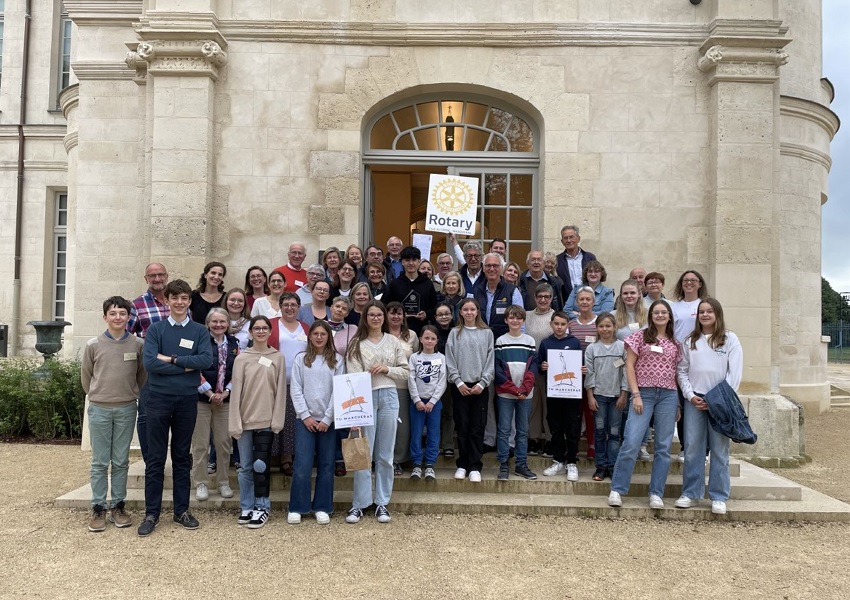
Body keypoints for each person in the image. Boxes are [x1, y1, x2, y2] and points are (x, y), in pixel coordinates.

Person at [138, 279, 213, 537]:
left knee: (182, 457)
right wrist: (185, 366)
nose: (179, 302)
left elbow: (205, 359)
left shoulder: (200, 331)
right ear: (167, 301)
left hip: (186, 400)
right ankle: (151, 513)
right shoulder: (156, 330)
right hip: (158, 399)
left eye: (184, 298)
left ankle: (182, 510)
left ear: (189, 301)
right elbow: (150, 364)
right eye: (175, 298)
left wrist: (170, 359)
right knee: (156, 459)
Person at [608, 300, 681, 510]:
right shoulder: (639, 336)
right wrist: (636, 394)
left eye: (663, 312)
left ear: (669, 316)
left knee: (664, 447)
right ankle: (618, 488)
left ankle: (656, 492)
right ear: (651, 316)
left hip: (668, 395)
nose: (659, 315)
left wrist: (677, 405)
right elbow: (629, 366)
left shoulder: (675, 343)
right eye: (656, 312)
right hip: (644, 394)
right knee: (631, 440)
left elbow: (676, 373)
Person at [81, 296, 146, 532]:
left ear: (129, 317)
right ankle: (98, 507)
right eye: (113, 313)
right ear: (105, 317)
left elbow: (141, 375)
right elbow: (86, 378)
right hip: (99, 408)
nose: (118, 317)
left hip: (127, 408)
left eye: (122, 313)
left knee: (120, 461)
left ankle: (118, 505)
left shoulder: (137, 344)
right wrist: (99, 396)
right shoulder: (93, 345)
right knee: (99, 462)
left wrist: (129, 394)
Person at [675, 298, 743, 515]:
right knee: (693, 448)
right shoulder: (690, 340)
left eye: (709, 311)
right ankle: (691, 493)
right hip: (695, 400)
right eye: (701, 312)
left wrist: (719, 398)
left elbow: (735, 373)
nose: (705, 315)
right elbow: (682, 371)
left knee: (719, 449)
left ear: (717, 314)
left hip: (720, 402)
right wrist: (690, 395)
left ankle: (719, 495)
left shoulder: (729, 339)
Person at [344, 300, 409, 524]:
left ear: (384, 317)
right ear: (365, 317)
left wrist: (387, 369)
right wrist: (354, 414)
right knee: (364, 452)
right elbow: (352, 379)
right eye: (371, 314)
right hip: (365, 397)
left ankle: (382, 501)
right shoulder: (356, 344)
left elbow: (406, 372)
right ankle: (360, 503)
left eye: (379, 315)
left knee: (385, 454)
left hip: (390, 395)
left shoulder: (393, 341)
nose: (375, 318)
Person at [229, 316, 287, 529]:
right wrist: (234, 421)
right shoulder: (242, 359)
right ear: (250, 332)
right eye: (257, 328)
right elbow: (235, 393)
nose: (261, 331)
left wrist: (277, 420)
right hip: (245, 420)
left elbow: (281, 390)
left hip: (266, 419)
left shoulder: (277, 357)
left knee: (260, 466)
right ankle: (247, 505)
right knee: (245, 467)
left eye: (264, 328)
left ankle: (262, 506)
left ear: (270, 331)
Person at [288, 320, 344, 525]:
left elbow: (339, 390)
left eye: (323, 334)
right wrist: (306, 416)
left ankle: (322, 506)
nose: (319, 337)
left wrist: (328, 418)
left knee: (327, 464)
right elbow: (296, 389)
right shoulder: (301, 359)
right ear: (310, 336)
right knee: (302, 464)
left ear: (329, 336)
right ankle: (298, 507)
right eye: (316, 334)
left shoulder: (337, 360)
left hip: (328, 421)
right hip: (305, 420)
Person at [445, 298, 495, 483]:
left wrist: (483, 383)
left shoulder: (487, 333)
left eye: (472, 309)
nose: (469, 312)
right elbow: (449, 360)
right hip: (460, 387)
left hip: (479, 387)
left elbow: (491, 360)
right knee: (463, 425)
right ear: (460, 312)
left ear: (477, 311)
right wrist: (458, 382)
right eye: (465, 309)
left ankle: (475, 465)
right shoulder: (455, 333)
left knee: (477, 426)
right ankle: (462, 464)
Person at [191, 308, 238, 502]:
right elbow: (194, 369)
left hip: (225, 400)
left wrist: (226, 392)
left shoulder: (235, 344)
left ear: (228, 324)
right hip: (202, 400)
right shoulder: (199, 342)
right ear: (208, 323)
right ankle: (201, 483)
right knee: (200, 444)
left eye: (222, 321)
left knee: (223, 444)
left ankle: (223, 482)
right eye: (214, 321)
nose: (218, 325)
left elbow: (237, 371)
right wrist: (210, 393)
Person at [127, 262, 170, 460]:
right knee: (145, 416)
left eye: (160, 275)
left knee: (178, 416)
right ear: (146, 279)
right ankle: (150, 459)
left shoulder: (177, 302)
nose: (157, 279)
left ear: (166, 276)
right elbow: (127, 337)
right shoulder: (137, 305)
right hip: (148, 371)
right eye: (152, 276)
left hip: (177, 369)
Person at [494, 305, 539, 481]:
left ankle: (521, 464)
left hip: (525, 394)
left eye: (518, 318)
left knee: (522, 430)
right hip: (506, 393)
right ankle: (503, 463)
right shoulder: (500, 341)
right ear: (506, 320)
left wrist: (524, 389)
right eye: (511, 318)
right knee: (504, 430)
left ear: (523, 320)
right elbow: (498, 369)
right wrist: (513, 389)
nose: (515, 321)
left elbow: (533, 367)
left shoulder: (529, 341)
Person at [670, 270, 709, 460]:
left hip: (700, 358)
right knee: (683, 405)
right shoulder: (674, 306)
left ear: (700, 284)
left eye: (693, 280)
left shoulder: (705, 305)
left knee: (703, 402)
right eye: (685, 280)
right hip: (679, 359)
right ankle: (686, 447)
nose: (689, 283)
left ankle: (705, 449)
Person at [538, 311, 582, 481]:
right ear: (551, 324)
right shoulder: (545, 343)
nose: (559, 327)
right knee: (555, 427)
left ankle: (571, 461)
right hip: (553, 393)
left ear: (568, 325)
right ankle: (558, 459)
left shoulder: (574, 342)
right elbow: (540, 367)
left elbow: (580, 366)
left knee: (572, 427)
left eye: (563, 324)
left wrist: (582, 370)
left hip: (572, 394)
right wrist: (543, 366)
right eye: (556, 324)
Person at [585, 312, 628, 481]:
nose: (605, 329)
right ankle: (601, 466)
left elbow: (626, 373)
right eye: (601, 326)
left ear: (614, 327)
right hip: (599, 397)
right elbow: (589, 374)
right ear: (597, 328)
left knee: (615, 432)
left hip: (617, 396)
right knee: (600, 431)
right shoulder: (592, 349)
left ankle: (613, 466)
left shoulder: (622, 347)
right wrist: (590, 396)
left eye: (608, 326)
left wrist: (624, 394)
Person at [268, 292, 309, 476]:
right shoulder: (271, 324)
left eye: (293, 305)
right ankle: (268, 457)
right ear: (280, 306)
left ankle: (287, 459)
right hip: (275, 382)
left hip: (299, 384)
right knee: (274, 419)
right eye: (286, 304)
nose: (290, 308)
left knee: (293, 421)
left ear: (299, 307)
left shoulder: (306, 328)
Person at [612, 280, 650, 460]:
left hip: (643, 368)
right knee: (622, 408)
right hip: (620, 367)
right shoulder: (613, 316)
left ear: (639, 294)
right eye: (625, 293)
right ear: (621, 296)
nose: (629, 296)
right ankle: (624, 443)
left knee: (642, 407)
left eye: (632, 293)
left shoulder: (648, 316)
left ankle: (641, 445)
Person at [407, 325, 448, 482]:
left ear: (437, 340)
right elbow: (411, 378)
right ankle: (417, 462)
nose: (429, 341)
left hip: (434, 403)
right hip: (417, 402)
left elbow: (442, 381)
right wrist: (417, 399)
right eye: (426, 338)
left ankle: (430, 463)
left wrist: (432, 401)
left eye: (433, 338)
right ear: (421, 339)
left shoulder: (441, 358)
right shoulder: (414, 358)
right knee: (416, 433)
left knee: (433, 433)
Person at [386, 301, 421, 476]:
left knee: (403, 427)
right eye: (392, 313)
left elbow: (416, 361)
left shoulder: (412, 335)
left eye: (399, 313)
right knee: (386, 425)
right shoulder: (380, 334)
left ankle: (398, 459)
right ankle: (384, 459)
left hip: (404, 387)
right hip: (383, 384)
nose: (396, 316)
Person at [524, 283, 556, 456]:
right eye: (540, 297)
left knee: (548, 405)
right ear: (535, 298)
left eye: (547, 297)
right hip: (531, 367)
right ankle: (534, 438)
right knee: (533, 404)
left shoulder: (555, 317)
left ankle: (550, 439)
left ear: (551, 299)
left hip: (551, 369)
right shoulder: (527, 316)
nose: (543, 300)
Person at [568, 286, 599, 460]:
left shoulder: (599, 322)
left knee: (591, 411)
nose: (585, 302)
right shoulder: (571, 324)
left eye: (588, 299)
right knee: (575, 412)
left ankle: (592, 445)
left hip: (594, 375)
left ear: (593, 302)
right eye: (582, 299)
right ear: (577, 302)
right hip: (573, 376)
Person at [383, 245, 438, 337]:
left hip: (421, 331)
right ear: (402, 262)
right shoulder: (395, 284)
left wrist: (426, 314)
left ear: (419, 262)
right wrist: (398, 314)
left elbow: (434, 307)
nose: (411, 263)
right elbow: (384, 305)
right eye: (407, 260)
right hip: (398, 331)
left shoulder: (428, 284)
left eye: (414, 260)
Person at [474, 252, 524, 341]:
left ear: (501, 269)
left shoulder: (512, 291)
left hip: (505, 343)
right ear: (483, 269)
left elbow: (520, 321)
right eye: (488, 265)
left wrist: (520, 342)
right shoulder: (477, 291)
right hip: (481, 341)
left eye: (495, 266)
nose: (492, 269)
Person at [432, 303, 456, 456]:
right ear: (435, 317)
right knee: (433, 411)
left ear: (452, 315)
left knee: (448, 411)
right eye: (440, 314)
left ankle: (447, 444)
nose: (444, 317)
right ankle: (433, 445)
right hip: (433, 377)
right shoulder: (431, 332)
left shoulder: (457, 332)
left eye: (446, 313)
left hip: (451, 377)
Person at [555, 225, 597, 303]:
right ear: (562, 241)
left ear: (578, 238)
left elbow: (597, 280)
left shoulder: (590, 258)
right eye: (565, 238)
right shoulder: (557, 261)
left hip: (588, 302)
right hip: (567, 303)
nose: (568, 240)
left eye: (571, 237)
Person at [190, 261, 226, 325]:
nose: (216, 277)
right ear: (205, 275)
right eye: (213, 273)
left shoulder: (226, 297)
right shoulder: (193, 296)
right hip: (198, 334)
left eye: (220, 274)